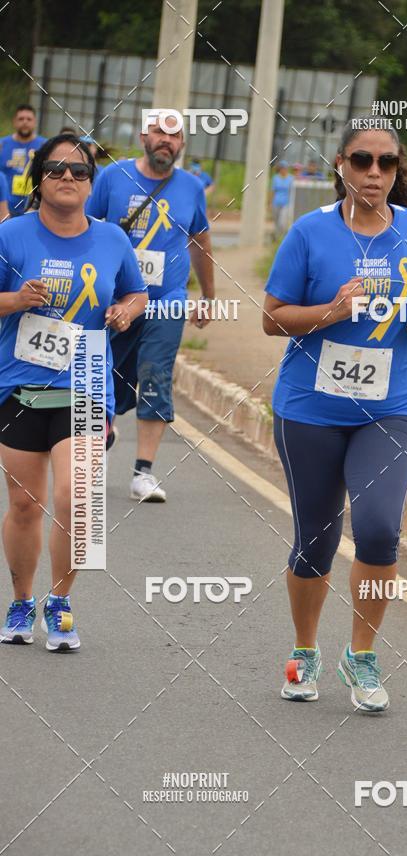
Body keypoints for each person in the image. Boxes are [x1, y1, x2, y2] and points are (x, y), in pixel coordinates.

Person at [263, 122, 407, 712]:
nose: (374, 172)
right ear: (341, 164)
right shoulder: (310, 233)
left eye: (386, 162)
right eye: (362, 160)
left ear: (397, 170)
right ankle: (305, 649)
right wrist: (332, 311)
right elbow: (272, 318)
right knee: (316, 538)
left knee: (381, 529)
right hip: (310, 409)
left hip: (389, 408)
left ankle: (361, 655)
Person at [0, 134, 147, 650]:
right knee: (25, 504)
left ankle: (60, 601)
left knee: (77, 497)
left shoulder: (112, 239)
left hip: (85, 377)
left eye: (79, 171)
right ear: (39, 179)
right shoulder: (11, 234)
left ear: (90, 183)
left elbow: (136, 291)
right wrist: (15, 300)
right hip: (18, 384)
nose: (68, 178)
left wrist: (126, 310)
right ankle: (21, 600)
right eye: (56, 169)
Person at [87, 112, 214, 502]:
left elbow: (200, 242)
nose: (166, 140)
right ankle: (104, 432)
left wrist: (209, 297)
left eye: (175, 135)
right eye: (159, 131)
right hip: (117, 301)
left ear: (182, 145)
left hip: (167, 301)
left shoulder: (191, 187)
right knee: (106, 377)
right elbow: (86, 228)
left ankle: (143, 473)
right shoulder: (113, 177)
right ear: (144, 135)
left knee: (155, 374)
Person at [0, 104, 46, 216]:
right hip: (5, 210)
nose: (25, 122)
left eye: (29, 119)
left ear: (35, 122)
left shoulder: (45, 145)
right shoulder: (2, 145)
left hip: (34, 210)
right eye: (21, 119)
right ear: (14, 122)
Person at [270, 160, 294, 241]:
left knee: (282, 222)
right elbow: (272, 191)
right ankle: (277, 238)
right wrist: (270, 203)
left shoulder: (291, 178)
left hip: (286, 203)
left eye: (285, 168)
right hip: (276, 202)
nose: (283, 170)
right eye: (282, 168)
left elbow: (292, 191)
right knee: (276, 221)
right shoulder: (275, 178)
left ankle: (283, 236)